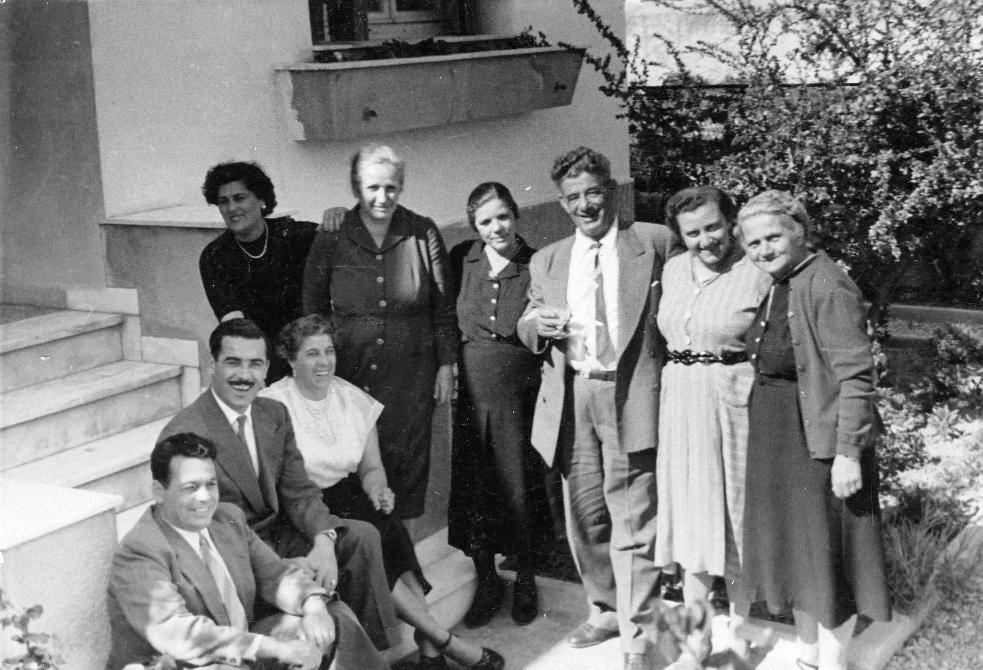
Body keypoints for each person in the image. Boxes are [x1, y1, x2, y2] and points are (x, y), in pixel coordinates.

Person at [261, 315, 504, 670]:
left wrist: (378, 489)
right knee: (369, 541)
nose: (324, 361)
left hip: (348, 495)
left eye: (329, 351)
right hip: (302, 509)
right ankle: (443, 642)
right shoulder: (273, 403)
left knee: (392, 532)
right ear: (291, 359)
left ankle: (430, 649)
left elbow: (371, 468)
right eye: (312, 354)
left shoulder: (351, 398)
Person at [517, 147, 678, 670]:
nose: (585, 205)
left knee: (634, 518)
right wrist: (536, 325)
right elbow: (527, 319)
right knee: (584, 516)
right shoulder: (548, 259)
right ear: (562, 203)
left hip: (630, 392)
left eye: (592, 192)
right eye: (573, 197)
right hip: (573, 397)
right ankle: (606, 609)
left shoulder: (653, 242)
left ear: (610, 191)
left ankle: (640, 637)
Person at [158, 318, 400, 652]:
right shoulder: (185, 433)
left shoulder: (272, 413)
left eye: (255, 364)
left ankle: (364, 655)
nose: (245, 375)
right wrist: (278, 566)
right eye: (233, 363)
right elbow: (200, 530)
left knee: (361, 538)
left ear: (267, 368)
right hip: (233, 553)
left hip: (278, 536)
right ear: (212, 365)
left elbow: (299, 492)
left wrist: (324, 540)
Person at [736, 190, 890, 670]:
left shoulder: (827, 284)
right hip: (779, 437)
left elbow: (857, 376)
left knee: (829, 563)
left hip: (819, 443)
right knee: (799, 559)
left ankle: (833, 663)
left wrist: (848, 453)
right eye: (753, 243)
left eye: (773, 237)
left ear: (800, 231)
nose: (763, 249)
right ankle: (807, 657)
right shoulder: (781, 282)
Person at [107, 432, 389, 670]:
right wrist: (277, 648)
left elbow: (276, 574)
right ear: (159, 491)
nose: (204, 497)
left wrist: (313, 605)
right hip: (182, 664)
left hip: (240, 650)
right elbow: (181, 636)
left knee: (333, 617)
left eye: (210, 484)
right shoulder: (141, 550)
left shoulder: (226, 518)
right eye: (190, 487)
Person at [302, 143, 457, 521]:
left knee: (404, 469)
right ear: (357, 187)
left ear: (401, 186)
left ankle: (398, 552)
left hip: (411, 376)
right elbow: (313, 309)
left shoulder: (421, 231)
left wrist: (446, 365)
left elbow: (443, 308)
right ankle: (367, 551)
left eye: (391, 187)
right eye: (372, 188)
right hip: (352, 372)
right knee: (354, 467)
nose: (382, 197)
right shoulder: (333, 234)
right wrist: (321, 366)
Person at [652, 187, 770, 650]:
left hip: (733, 402)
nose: (706, 240)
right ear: (680, 237)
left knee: (736, 517)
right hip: (681, 405)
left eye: (713, 227)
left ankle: (739, 632)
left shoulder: (756, 272)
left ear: (730, 222)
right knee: (690, 522)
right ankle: (696, 641)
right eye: (693, 233)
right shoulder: (673, 270)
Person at [447, 182, 553, 628]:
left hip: (518, 387)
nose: (497, 228)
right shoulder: (461, 259)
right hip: (473, 387)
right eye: (486, 221)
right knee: (475, 482)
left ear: (516, 214)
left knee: (518, 482)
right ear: (475, 226)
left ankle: (525, 577)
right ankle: (486, 580)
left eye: (503, 216)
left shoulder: (537, 262)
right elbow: (443, 317)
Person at [200, 161, 317, 384]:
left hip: (309, 352)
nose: (231, 208)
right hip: (263, 363)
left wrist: (337, 216)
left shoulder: (295, 235)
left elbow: (342, 237)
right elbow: (235, 325)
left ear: (262, 199)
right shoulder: (215, 256)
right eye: (223, 201)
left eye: (240, 198)